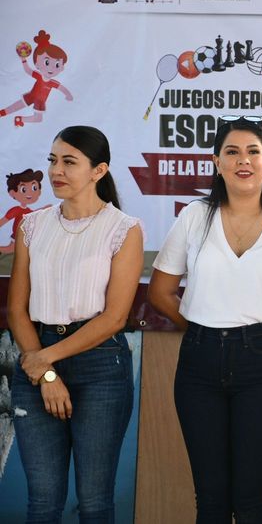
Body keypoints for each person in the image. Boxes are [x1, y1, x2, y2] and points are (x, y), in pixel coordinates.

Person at [147, 116, 262, 524]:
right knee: (211, 502)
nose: (243, 160)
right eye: (232, 152)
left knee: (251, 501)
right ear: (216, 161)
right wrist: (202, 326)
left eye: (253, 151)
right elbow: (160, 293)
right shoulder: (194, 216)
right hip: (199, 365)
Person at [8, 125, 144, 522]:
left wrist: (42, 360)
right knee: (43, 501)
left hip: (101, 366)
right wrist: (46, 372)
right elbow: (17, 309)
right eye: (53, 160)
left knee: (94, 500)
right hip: (38, 364)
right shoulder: (32, 225)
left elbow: (114, 318)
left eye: (69, 162)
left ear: (98, 171)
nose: (56, 171)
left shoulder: (124, 229)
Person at [1, 30, 73, 127]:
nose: (51, 68)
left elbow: (62, 88)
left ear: (62, 67)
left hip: (40, 102)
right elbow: (28, 70)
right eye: (47, 62)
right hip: (31, 96)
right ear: (36, 64)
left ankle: (20, 119)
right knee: (17, 106)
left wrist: (68, 95)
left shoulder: (52, 82)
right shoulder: (39, 76)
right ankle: (2, 113)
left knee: (38, 119)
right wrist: (23, 60)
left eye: (57, 64)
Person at [0, 168, 49, 253]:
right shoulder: (16, 210)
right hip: (17, 235)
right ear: (12, 193)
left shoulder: (28, 210)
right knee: (10, 249)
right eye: (24, 189)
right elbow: (3, 221)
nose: (30, 193)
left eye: (34, 188)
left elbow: (33, 213)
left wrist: (43, 208)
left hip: (25, 236)